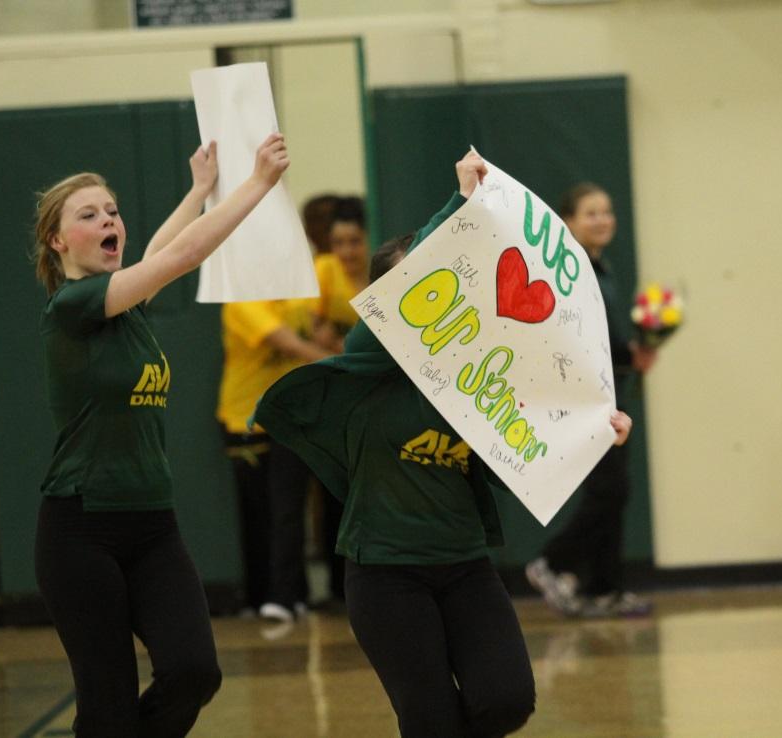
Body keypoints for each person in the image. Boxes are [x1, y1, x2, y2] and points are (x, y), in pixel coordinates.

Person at [255, 151, 632, 737]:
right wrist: (461, 203)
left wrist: (594, 430)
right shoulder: (368, 359)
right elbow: (414, 281)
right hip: (385, 574)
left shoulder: (477, 374)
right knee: (429, 718)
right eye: (427, 280)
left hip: (464, 567)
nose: (442, 291)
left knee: (506, 700)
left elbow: (527, 449)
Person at [32, 133, 290, 737]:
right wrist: (255, 185)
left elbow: (157, 251)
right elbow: (176, 258)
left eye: (113, 210)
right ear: (57, 240)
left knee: (195, 670)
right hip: (80, 530)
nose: (107, 220)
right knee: (108, 705)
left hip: (152, 527)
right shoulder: (72, 306)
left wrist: (200, 188)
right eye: (89, 215)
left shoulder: (129, 303)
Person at [525, 182, 658, 619]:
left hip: (612, 392)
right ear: (567, 222)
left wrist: (635, 351)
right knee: (610, 488)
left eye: (607, 211)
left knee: (616, 490)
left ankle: (605, 587)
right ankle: (553, 562)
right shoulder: (570, 269)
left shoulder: (603, 267)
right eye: (590, 213)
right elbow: (573, 333)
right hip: (582, 396)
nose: (602, 220)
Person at [217, 292, 330, 619]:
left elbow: (315, 330)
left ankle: (288, 595)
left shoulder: (302, 299)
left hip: (290, 417)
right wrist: (336, 361)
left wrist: (326, 336)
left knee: (288, 508)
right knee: (258, 512)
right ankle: (258, 596)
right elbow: (288, 344)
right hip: (244, 418)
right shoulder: (241, 303)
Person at [309, 195, 370, 601]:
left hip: (368, 399)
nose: (347, 251)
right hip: (333, 398)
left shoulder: (379, 276)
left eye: (354, 242)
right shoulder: (323, 274)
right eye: (340, 243)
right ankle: (333, 584)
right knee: (331, 491)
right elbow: (316, 333)